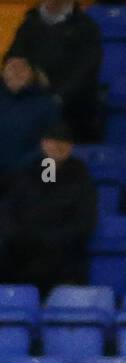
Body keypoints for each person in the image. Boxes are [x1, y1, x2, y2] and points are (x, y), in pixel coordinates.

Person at [0, 123, 96, 293]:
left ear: (71, 147)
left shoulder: (80, 176)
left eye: (64, 142)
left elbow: (84, 220)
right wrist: (22, 237)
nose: (58, 146)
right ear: (43, 143)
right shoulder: (27, 173)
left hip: (64, 256)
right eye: (53, 141)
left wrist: (53, 239)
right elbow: (10, 211)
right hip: (23, 253)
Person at [5, 0, 102, 141]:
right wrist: (23, 72)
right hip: (30, 102)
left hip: (71, 111)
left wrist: (56, 97)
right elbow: (13, 57)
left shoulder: (86, 27)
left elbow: (86, 71)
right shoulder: (30, 22)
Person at [0, 56, 58, 182]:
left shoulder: (47, 105)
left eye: (22, 67)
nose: (17, 71)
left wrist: (21, 166)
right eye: (11, 67)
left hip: (28, 179)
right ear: (3, 72)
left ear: (33, 73)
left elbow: (52, 146)